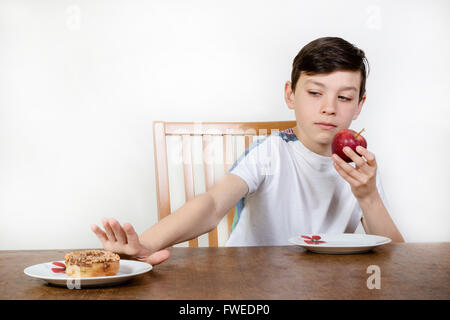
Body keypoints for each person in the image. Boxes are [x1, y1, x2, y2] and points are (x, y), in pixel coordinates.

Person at [91, 36, 404, 266]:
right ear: (290, 95)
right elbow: (212, 204)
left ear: (360, 105)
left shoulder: (361, 167)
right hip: (252, 281)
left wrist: (368, 195)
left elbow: (397, 258)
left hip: (326, 284)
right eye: (314, 93)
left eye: (345, 98)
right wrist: (145, 243)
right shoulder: (271, 151)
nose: (328, 108)